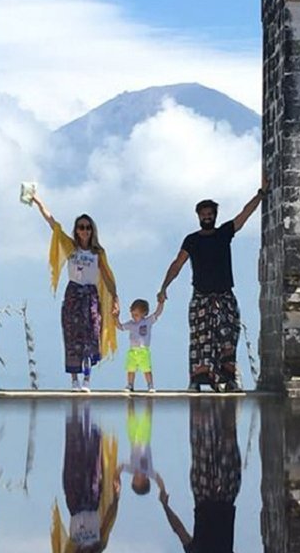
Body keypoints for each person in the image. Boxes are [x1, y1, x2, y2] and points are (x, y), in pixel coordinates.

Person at [157, 178, 268, 391]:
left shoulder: (224, 233)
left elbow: (244, 214)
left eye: (210, 214)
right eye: (203, 214)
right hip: (201, 297)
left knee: (228, 338)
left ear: (215, 216)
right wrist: (164, 287)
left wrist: (260, 195)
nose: (207, 217)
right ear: (198, 216)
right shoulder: (192, 240)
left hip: (225, 296)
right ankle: (196, 380)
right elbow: (177, 263)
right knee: (200, 341)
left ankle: (229, 380)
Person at [32, 193, 119, 392]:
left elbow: (108, 278)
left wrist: (115, 299)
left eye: (88, 227)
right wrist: (37, 201)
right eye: (81, 227)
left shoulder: (98, 253)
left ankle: (87, 379)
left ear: (92, 230)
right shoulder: (70, 247)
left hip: (90, 296)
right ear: (76, 230)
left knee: (91, 335)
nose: (85, 231)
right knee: (72, 337)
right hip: (73, 294)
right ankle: (74, 380)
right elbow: (53, 223)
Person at [155, 397, 240, 552]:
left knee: (218, 445)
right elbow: (179, 530)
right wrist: (165, 506)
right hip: (214, 497)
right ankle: (216, 404)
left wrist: (165, 506)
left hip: (215, 498)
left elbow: (179, 530)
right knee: (213, 446)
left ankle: (207, 405)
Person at [51, 401, 122, 553]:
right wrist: (116, 498)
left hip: (74, 503)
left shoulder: (72, 551)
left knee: (72, 453)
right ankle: (91, 414)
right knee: (92, 457)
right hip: (91, 501)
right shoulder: (99, 546)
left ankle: (74, 410)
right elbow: (108, 519)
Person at [116, 297, 163, 393]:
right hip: (133, 351)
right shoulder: (131, 324)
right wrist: (116, 317)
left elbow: (157, 313)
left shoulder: (147, 321)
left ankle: (150, 385)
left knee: (146, 369)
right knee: (130, 369)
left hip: (143, 350)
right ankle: (130, 385)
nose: (134, 317)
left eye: (136, 315)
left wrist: (161, 303)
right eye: (132, 314)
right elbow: (120, 327)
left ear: (144, 313)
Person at [119, 397, 158, 497]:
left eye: (133, 479)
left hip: (133, 440)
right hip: (144, 439)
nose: (134, 477)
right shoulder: (149, 471)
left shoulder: (132, 469)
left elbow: (121, 467)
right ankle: (150, 400)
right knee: (146, 417)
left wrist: (116, 478)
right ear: (145, 480)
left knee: (130, 417)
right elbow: (159, 480)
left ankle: (130, 398)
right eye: (137, 479)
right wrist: (162, 490)